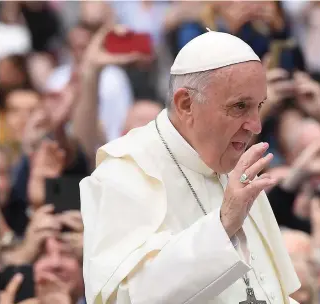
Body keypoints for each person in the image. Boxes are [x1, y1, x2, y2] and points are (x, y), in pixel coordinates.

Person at [79, 27, 300, 304]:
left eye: (259, 106)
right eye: (240, 106)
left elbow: (271, 290)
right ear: (186, 104)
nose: (255, 125)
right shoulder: (125, 171)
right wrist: (222, 225)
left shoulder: (234, 161)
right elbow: (125, 297)